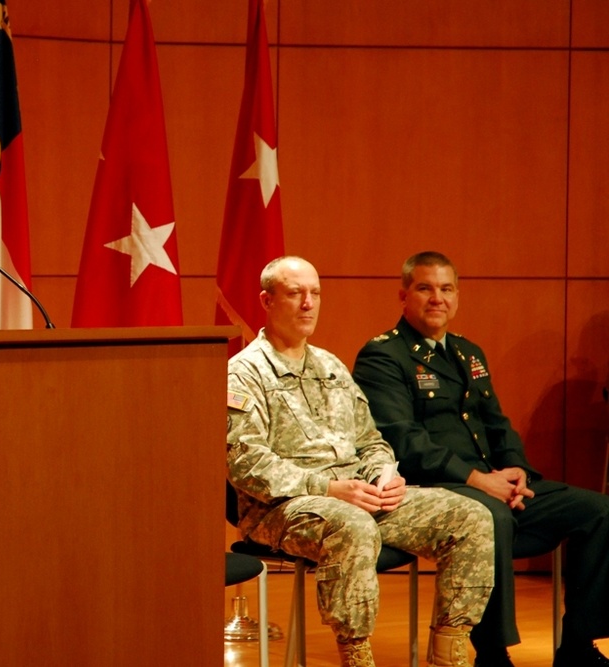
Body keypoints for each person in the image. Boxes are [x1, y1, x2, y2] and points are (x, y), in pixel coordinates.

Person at [227, 256, 494, 667]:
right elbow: (247, 463)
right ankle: (356, 656)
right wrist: (330, 489)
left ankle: (450, 649)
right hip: (282, 508)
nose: (307, 304)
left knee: (469, 517)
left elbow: (371, 439)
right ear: (266, 300)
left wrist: (384, 476)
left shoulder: (330, 365)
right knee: (351, 526)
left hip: (357, 493)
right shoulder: (244, 373)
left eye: (315, 293)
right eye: (295, 293)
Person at [353, 251, 609, 667]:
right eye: (425, 288)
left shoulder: (467, 352)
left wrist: (518, 473)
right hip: (437, 488)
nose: (437, 298)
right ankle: (493, 652)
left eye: (446, 288)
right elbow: (404, 441)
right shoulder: (384, 355)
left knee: (598, 511)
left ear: (457, 296)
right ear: (403, 295)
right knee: (492, 518)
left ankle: (578, 645)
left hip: (490, 482)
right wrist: (478, 479)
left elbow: (497, 424)